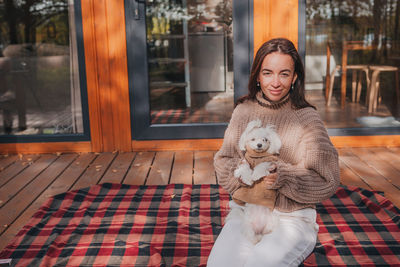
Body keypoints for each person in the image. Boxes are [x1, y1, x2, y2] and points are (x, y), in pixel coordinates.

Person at [207, 38, 340, 267]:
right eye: (268, 73)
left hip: (292, 218)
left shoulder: (308, 119)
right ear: (257, 75)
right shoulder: (243, 111)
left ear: (295, 77)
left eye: (284, 73)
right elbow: (224, 159)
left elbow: (328, 179)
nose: (275, 82)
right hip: (247, 212)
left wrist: (283, 177)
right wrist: (241, 174)